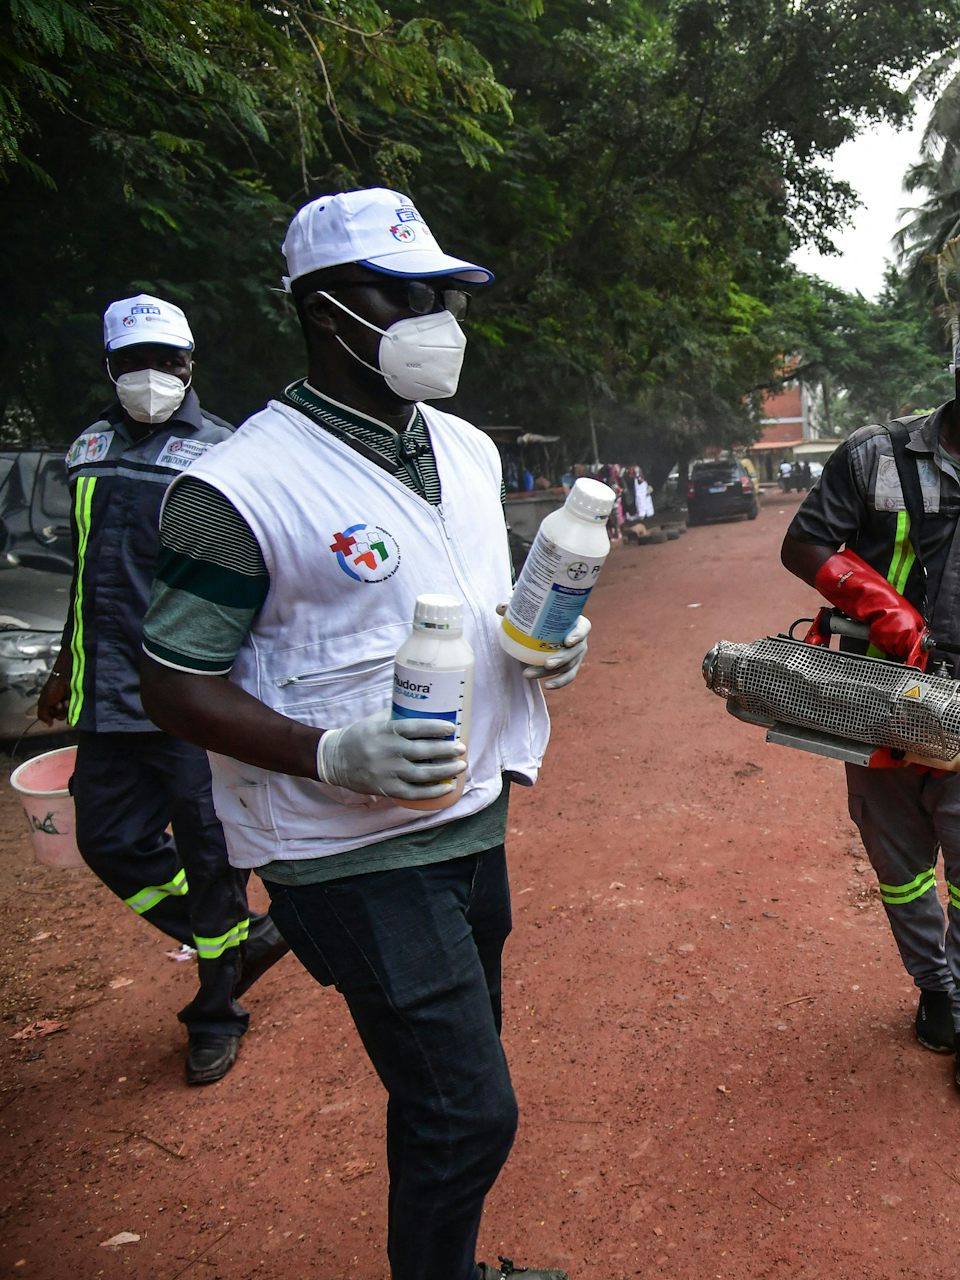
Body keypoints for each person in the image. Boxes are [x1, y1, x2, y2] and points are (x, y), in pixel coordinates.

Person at [138, 188, 582, 1280]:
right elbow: (172, 679)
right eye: (405, 293)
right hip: (346, 848)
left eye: (446, 294)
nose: (438, 317)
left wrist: (541, 646)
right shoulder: (238, 487)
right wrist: (328, 751)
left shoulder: (469, 450)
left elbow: (472, 598)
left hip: (474, 815)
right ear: (325, 309)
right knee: (471, 1111)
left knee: (442, 1098)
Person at [781, 314, 960, 1093]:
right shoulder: (871, 456)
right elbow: (803, 544)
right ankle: (934, 989)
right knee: (902, 866)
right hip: (868, 697)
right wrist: (879, 603)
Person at [37, 293, 289, 1085]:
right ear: (111, 369)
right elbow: (87, 576)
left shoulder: (224, 455)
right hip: (106, 694)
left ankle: (216, 1011)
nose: (152, 376)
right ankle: (239, 937)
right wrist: (63, 666)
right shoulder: (86, 449)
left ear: (190, 365)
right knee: (107, 840)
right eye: (134, 363)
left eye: (167, 362)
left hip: (190, 694)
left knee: (211, 852)